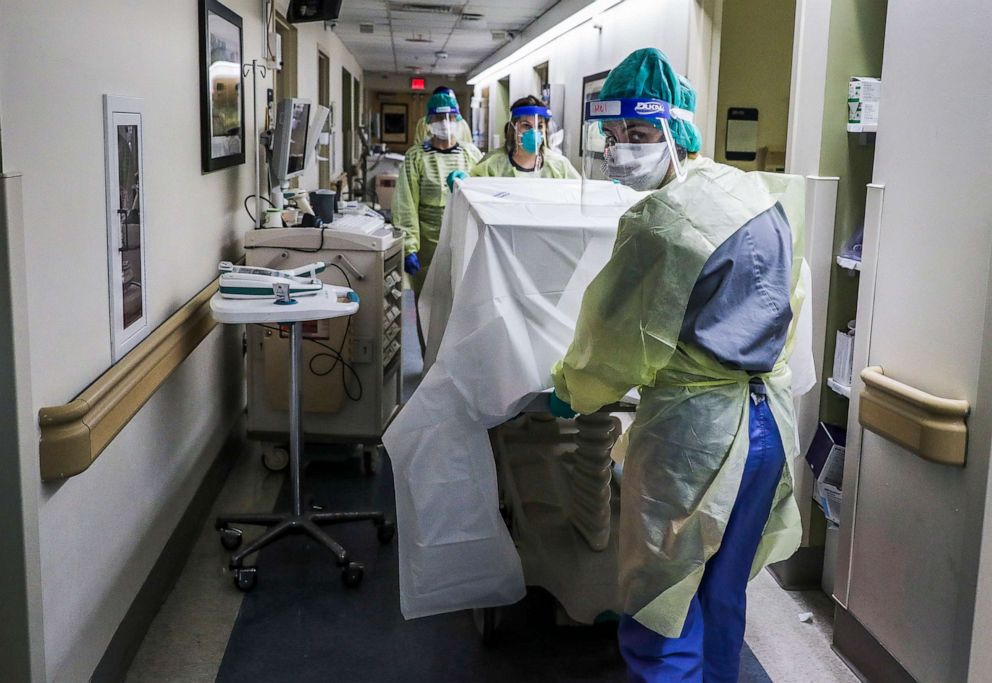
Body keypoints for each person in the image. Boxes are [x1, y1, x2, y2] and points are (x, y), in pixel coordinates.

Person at [549, 48, 804, 683]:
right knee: (722, 595)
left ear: (676, 129)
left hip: (695, 442)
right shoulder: (754, 192)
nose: (619, 149)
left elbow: (615, 338)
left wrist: (571, 391)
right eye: (610, 135)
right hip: (766, 424)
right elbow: (790, 300)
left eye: (636, 134)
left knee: (662, 608)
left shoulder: (660, 221)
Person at [393, 91, 482, 349]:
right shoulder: (416, 157)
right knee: (429, 307)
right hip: (427, 245)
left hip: (465, 239)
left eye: (450, 116)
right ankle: (429, 365)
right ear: (428, 121)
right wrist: (409, 246)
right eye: (439, 117)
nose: (445, 122)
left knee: (461, 307)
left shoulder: (472, 155)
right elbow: (405, 203)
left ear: (458, 119)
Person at [467, 95, 579, 180]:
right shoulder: (492, 164)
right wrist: (463, 182)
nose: (534, 132)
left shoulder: (559, 165)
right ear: (513, 128)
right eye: (526, 125)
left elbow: (576, 195)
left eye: (539, 126)